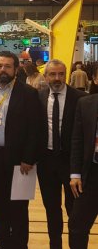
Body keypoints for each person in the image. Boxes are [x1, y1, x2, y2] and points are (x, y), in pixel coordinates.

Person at [0, 51, 41, 249]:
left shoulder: (28, 93)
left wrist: (29, 157)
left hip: (21, 162)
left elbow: (35, 129)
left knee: (19, 207)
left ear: (16, 69)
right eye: (0, 66)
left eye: (7, 66)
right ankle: (3, 241)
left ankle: (19, 244)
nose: (3, 70)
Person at [37, 59, 85, 249]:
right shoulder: (38, 96)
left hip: (72, 163)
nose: (57, 78)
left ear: (66, 75)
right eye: (53, 74)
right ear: (45, 76)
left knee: (74, 209)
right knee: (51, 209)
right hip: (46, 162)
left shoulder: (80, 98)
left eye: (61, 74)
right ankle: (54, 245)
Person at [68, 93, 98, 249]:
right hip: (91, 174)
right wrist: (75, 173)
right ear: (95, 79)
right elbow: (77, 139)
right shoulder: (85, 103)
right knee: (77, 225)